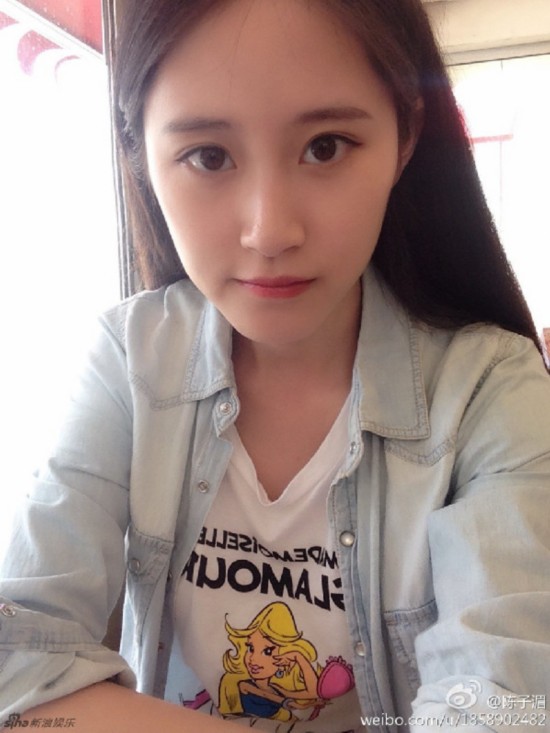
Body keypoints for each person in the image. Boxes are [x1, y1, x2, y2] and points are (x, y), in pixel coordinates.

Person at [1, 0, 549, 731]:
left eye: (325, 146)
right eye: (209, 156)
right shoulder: (128, 362)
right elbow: (17, 657)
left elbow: (506, 704)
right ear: (139, 152)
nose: (270, 231)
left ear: (405, 138)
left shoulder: (491, 390)